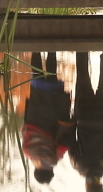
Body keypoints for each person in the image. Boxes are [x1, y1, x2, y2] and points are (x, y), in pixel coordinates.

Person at [69, 51, 103, 192]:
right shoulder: (77, 165)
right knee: (83, 76)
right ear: (87, 184)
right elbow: (71, 139)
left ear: (100, 184)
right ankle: (82, 48)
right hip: (84, 115)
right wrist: (74, 116)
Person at [21, 52, 74, 184]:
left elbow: (64, 144)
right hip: (34, 113)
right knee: (36, 74)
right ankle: (36, 49)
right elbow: (24, 132)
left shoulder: (53, 159)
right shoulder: (27, 152)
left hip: (51, 115)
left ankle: (52, 49)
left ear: (50, 171)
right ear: (36, 171)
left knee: (52, 74)